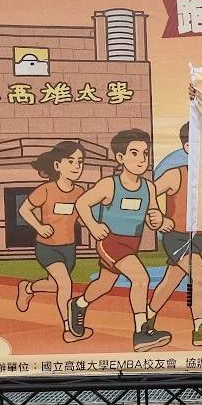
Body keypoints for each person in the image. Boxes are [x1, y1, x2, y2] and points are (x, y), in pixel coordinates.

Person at [70, 129, 172, 351]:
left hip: (131, 244)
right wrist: (93, 226)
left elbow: (152, 216)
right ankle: (141, 332)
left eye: (145, 153)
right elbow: (81, 203)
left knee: (104, 284)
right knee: (141, 278)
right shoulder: (109, 185)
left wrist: (159, 219)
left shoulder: (149, 187)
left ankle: (78, 304)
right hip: (110, 241)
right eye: (134, 153)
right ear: (120, 157)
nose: (141, 159)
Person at [148, 123, 202, 346]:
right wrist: (158, 217)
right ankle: (200, 327)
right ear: (187, 147)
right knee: (199, 275)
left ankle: (147, 317)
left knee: (171, 280)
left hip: (201, 237)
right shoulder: (175, 174)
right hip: (177, 237)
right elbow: (147, 192)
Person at [15, 141, 90, 343]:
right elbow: (24, 209)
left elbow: (81, 218)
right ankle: (69, 328)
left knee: (55, 285)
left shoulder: (80, 192)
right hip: (47, 247)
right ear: (57, 165)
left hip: (69, 248)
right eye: (71, 161)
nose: (76, 166)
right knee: (65, 283)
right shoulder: (46, 190)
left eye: (80, 162)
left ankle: (28, 288)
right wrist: (39, 227)